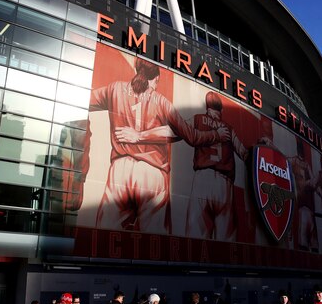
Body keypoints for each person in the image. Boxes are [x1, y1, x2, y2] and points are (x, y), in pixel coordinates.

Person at [90, 57, 228, 234]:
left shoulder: (114, 89)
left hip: (119, 170)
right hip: (153, 173)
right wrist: (216, 134)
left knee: (103, 235)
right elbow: (192, 137)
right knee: (155, 240)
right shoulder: (162, 102)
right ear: (155, 79)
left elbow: (84, 99)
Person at [185, 91, 249, 241]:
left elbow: (178, 129)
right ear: (221, 110)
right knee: (226, 245)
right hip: (224, 185)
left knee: (195, 242)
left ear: (207, 107)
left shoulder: (197, 119)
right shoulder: (229, 128)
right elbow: (244, 153)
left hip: (202, 179)